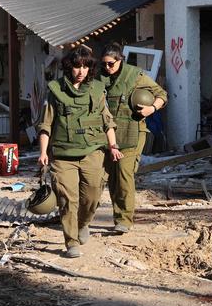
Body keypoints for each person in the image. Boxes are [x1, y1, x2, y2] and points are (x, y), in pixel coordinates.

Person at [37, 46, 123, 258]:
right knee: (67, 198)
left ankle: (83, 223)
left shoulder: (96, 90)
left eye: (85, 66)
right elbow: (45, 125)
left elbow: (107, 121)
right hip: (63, 154)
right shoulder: (56, 90)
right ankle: (71, 241)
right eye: (77, 66)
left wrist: (113, 146)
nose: (81, 70)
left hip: (93, 151)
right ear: (69, 67)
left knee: (92, 194)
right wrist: (43, 152)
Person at [98, 42, 167, 234]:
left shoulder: (135, 76)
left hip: (131, 133)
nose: (107, 68)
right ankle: (116, 215)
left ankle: (124, 220)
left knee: (123, 175)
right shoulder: (99, 77)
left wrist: (151, 108)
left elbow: (161, 94)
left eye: (111, 64)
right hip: (107, 135)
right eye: (104, 64)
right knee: (109, 177)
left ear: (120, 60)